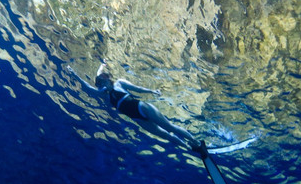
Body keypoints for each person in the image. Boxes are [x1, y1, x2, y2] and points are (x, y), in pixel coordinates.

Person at [67, 63, 205, 152]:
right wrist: (74, 74)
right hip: (138, 119)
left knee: (170, 127)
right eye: (100, 83)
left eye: (104, 80)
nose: (102, 84)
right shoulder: (104, 95)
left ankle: (195, 141)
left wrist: (152, 92)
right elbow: (87, 86)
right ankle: (189, 148)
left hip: (144, 108)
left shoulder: (119, 83)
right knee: (165, 135)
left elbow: (137, 88)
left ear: (109, 79)